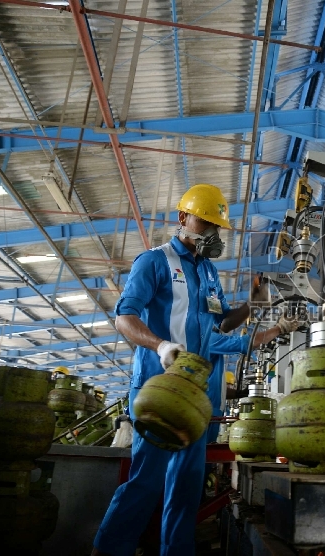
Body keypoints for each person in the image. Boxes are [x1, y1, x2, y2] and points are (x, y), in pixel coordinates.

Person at [92, 183, 263, 556]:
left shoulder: (210, 274)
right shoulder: (153, 261)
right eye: (206, 224)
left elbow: (220, 327)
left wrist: (250, 305)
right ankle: (109, 549)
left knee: (187, 483)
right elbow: (124, 317)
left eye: (217, 227)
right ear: (183, 218)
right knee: (147, 481)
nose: (213, 234)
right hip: (157, 387)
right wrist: (160, 344)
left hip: (194, 395)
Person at [206, 315, 300, 443]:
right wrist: (279, 328)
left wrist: (241, 393)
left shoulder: (211, 345)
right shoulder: (206, 338)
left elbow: (215, 388)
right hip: (206, 415)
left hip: (212, 415)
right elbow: (247, 343)